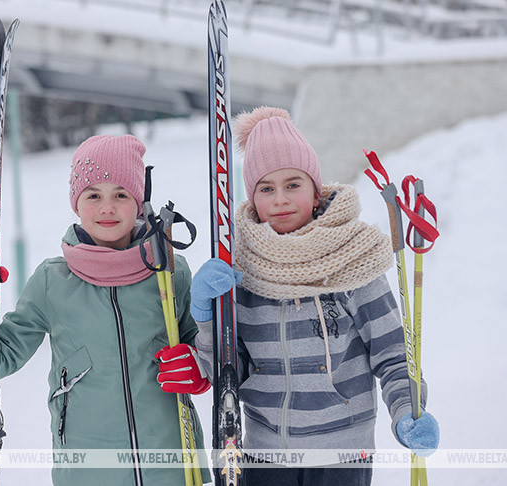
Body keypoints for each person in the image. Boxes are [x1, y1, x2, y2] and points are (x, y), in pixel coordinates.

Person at [189, 107, 440, 485]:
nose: (280, 200)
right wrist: (207, 317)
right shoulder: (241, 269)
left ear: (315, 189)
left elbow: (392, 355)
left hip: (341, 454)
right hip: (264, 455)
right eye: (266, 188)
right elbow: (230, 371)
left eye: (293, 184)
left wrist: (407, 410)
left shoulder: (350, 260)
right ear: (252, 197)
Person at [0, 134, 211, 486]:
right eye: (94, 195)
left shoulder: (170, 271)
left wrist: (199, 364)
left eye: (121, 194)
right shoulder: (52, 280)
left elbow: (203, 346)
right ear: (77, 204)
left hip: (171, 464)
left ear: (138, 203)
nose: (107, 207)